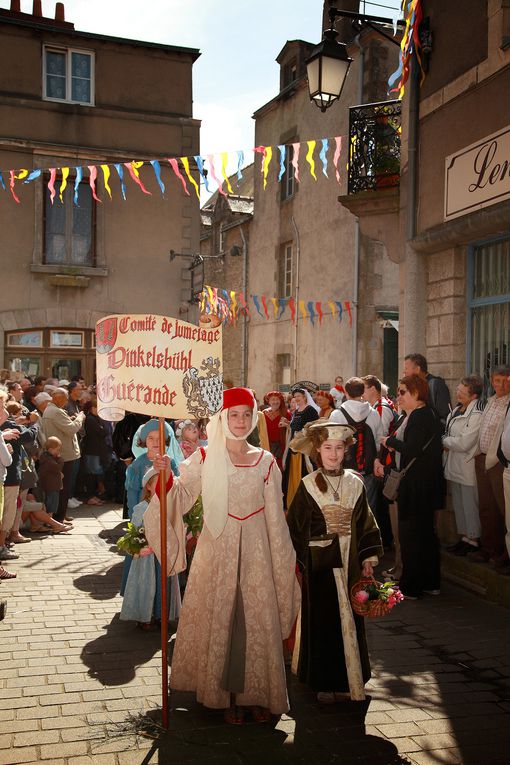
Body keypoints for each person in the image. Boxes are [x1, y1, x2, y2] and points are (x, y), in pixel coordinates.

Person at [145, 387, 300, 724]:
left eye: (247, 414)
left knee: (254, 620)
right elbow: (181, 496)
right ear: (222, 418)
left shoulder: (266, 462)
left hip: (258, 552)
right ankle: (221, 694)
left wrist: (281, 558)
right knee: (222, 616)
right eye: (234, 414)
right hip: (217, 551)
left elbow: (275, 515)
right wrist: (165, 474)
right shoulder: (204, 458)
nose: (241, 421)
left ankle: (256, 694)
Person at [286, 420, 383, 702]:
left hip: (350, 559)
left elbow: (365, 521)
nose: (333, 453)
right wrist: (303, 557)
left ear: (346, 451)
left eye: (339, 448)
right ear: (318, 450)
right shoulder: (307, 485)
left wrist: (367, 557)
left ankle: (350, 678)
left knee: (352, 616)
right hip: (320, 563)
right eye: (327, 447)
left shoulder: (355, 482)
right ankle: (323, 680)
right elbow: (294, 526)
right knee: (323, 619)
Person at [381, 375, 443, 599]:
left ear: (416, 393)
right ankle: (430, 583)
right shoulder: (425, 414)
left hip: (417, 486)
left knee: (412, 537)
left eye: (403, 392)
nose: (399, 396)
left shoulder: (420, 416)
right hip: (424, 485)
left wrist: (389, 442)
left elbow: (413, 449)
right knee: (425, 535)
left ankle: (412, 586)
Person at [120, 467, 181, 629]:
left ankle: (163, 616)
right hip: (147, 557)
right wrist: (141, 544)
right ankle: (145, 616)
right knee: (147, 584)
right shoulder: (141, 508)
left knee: (164, 584)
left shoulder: (170, 505)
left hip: (164, 553)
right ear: (148, 486)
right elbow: (134, 531)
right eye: (158, 483)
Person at [470, 365, 510, 569]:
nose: (501, 385)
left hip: (498, 463)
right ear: (491, 381)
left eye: (505, 381)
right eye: (497, 380)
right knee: (486, 507)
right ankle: (490, 548)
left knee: (504, 509)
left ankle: (505, 552)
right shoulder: (491, 401)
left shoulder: (508, 404)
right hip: (483, 459)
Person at [443, 376, 484, 556]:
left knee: (470, 505)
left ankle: (474, 540)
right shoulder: (457, 410)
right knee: (459, 505)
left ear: (473, 394)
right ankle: (465, 538)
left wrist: (444, 441)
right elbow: (451, 436)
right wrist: (448, 441)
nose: (458, 392)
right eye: (458, 389)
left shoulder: (477, 414)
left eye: (462, 390)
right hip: (453, 465)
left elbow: (465, 442)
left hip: (467, 466)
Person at [330, 377, 382, 515]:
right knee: (368, 512)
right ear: (362, 391)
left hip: (344, 471)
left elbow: (332, 443)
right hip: (368, 470)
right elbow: (379, 443)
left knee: (346, 512)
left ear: (346, 392)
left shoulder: (337, 415)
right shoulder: (374, 413)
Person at [41, 388, 85, 522]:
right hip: (64, 454)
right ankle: (59, 518)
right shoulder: (56, 411)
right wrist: (79, 418)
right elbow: (72, 429)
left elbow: (64, 425)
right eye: (65, 399)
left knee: (62, 487)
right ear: (59, 399)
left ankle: (61, 515)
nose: (66, 402)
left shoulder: (51, 410)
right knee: (63, 487)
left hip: (61, 453)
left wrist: (70, 419)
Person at [281, 387, 320, 509]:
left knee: (304, 471)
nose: (296, 398)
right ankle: (293, 501)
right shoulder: (296, 412)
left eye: (299, 396)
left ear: (304, 397)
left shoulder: (311, 411)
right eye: (295, 396)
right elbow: (294, 428)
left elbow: (314, 429)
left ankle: (305, 503)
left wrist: (302, 434)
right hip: (294, 448)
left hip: (304, 450)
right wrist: (288, 425)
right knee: (292, 473)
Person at [403, 354, 451, 431]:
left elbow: (445, 416)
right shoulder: (411, 386)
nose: (404, 372)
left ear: (418, 369)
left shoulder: (436, 385)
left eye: (406, 368)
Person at [81, 398, 109, 505]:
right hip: (92, 451)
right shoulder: (90, 419)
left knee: (95, 474)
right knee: (91, 475)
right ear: (92, 408)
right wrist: (103, 429)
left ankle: (94, 496)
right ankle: (90, 497)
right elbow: (102, 432)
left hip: (96, 451)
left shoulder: (95, 419)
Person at [262, 391, 290, 470]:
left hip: (281, 446)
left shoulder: (286, 413)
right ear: (268, 401)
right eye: (272, 400)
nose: (275, 402)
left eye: (277, 399)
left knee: (279, 468)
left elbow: (292, 429)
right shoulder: (263, 413)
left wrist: (288, 425)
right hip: (267, 445)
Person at [37, 436, 64, 518]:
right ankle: (49, 521)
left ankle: (49, 520)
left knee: (51, 503)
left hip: (51, 485)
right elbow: (57, 468)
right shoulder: (48, 459)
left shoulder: (48, 457)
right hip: (51, 486)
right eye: (57, 449)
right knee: (51, 504)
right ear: (51, 449)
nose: (58, 452)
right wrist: (60, 459)